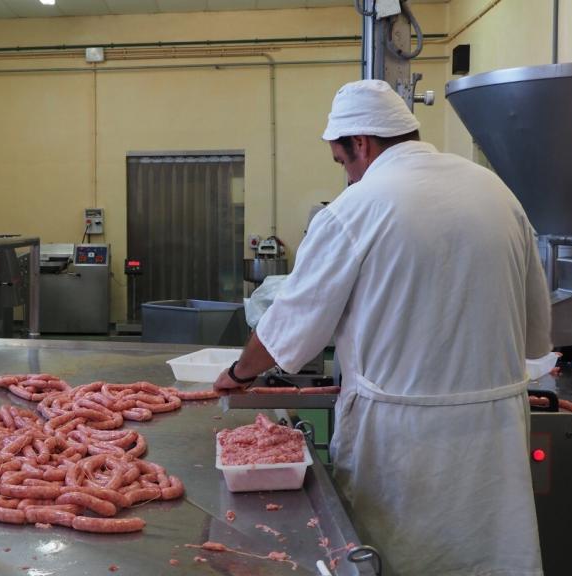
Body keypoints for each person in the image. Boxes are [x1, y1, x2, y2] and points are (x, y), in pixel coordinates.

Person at [214, 80, 551, 576]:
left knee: (401, 559)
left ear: (362, 144)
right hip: (494, 436)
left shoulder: (358, 207)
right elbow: (536, 330)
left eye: (343, 160)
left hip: (403, 445)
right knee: (491, 557)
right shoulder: (496, 193)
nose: (348, 175)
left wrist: (239, 374)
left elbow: (292, 324)